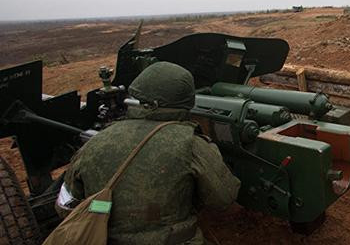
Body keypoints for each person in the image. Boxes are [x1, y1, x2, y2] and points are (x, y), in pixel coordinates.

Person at [55, 61, 241, 245]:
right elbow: (224, 198)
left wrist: (104, 210)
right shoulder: (191, 144)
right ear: (186, 100)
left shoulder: (95, 142)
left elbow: (66, 205)